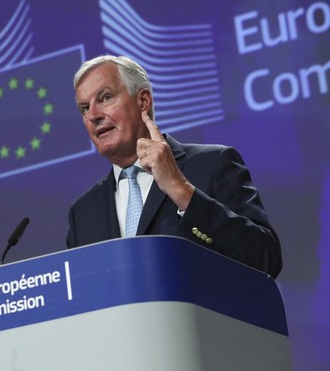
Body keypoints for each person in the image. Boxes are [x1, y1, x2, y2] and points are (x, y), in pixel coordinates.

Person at [66, 55, 282, 278]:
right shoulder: (83, 213)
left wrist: (180, 189)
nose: (93, 116)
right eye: (84, 108)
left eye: (105, 97)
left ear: (143, 101)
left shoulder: (214, 164)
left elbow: (264, 259)